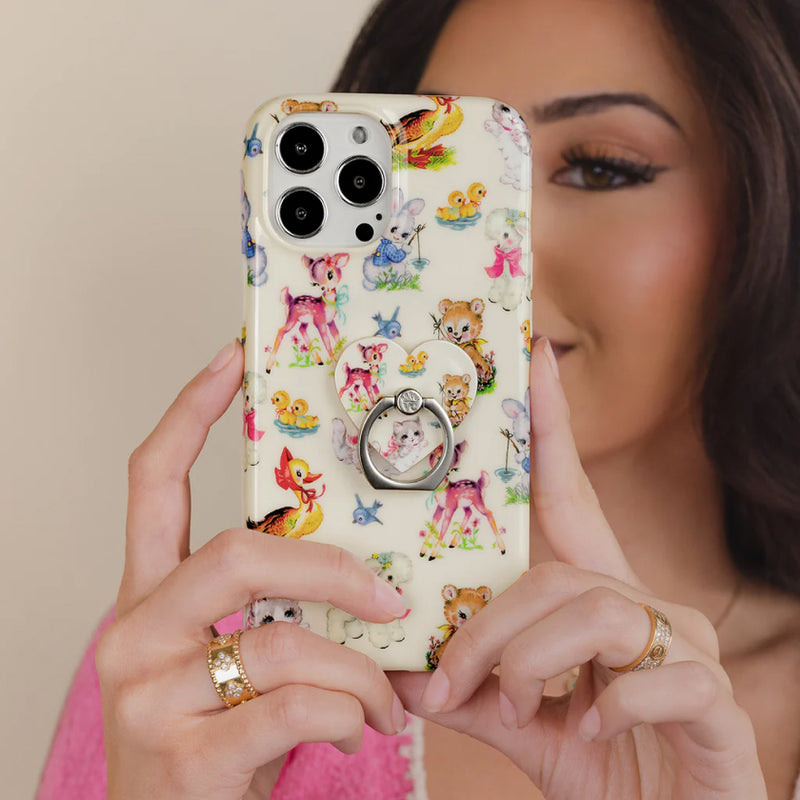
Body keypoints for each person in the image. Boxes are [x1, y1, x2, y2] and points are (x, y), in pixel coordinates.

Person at [38, 0, 800, 798]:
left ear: (767, 201)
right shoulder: (195, 688)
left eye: (600, 167)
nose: (507, 243)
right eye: (447, 170)